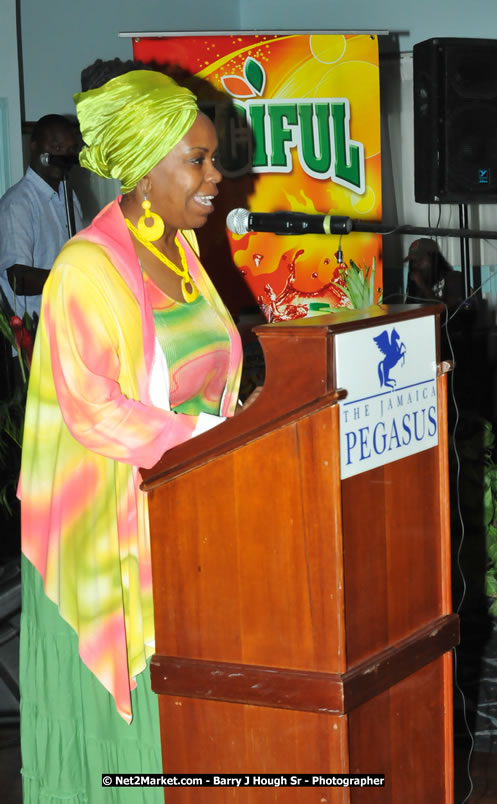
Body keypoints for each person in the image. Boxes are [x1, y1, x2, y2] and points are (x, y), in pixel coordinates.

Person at [18, 63, 243, 802]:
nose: (216, 177)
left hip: (182, 515)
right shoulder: (84, 268)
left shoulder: (182, 251)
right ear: (145, 171)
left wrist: (236, 428)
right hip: (106, 546)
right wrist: (210, 440)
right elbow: (96, 410)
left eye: (213, 160)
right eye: (198, 161)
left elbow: (211, 378)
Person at [0, 114, 83, 320]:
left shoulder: (70, 196)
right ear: (34, 145)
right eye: (56, 147)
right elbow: (18, 278)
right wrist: (74, 277)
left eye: (70, 150)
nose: (63, 155)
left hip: (71, 321)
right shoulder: (18, 202)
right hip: (35, 329)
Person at [404, 237, 465, 309]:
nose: (415, 265)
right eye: (412, 261)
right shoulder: (416, 286)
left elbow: (451, 310)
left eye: (420, 259)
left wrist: (423, 286)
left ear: (434, 259)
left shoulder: (454, 277)